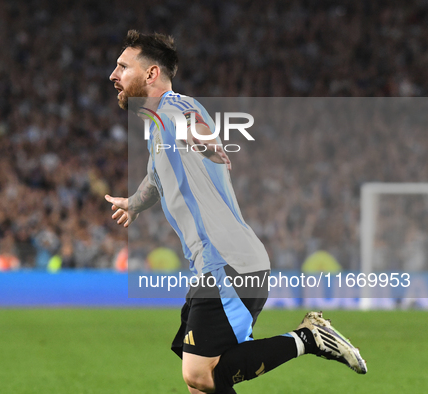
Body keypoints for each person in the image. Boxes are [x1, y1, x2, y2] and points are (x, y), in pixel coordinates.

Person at [105, 30, 367, 394]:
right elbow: (156, 174)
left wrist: (206, 142)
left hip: (228, 263)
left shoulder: (174, 108)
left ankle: (309, 338)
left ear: (150, 74)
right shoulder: (156, 128)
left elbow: (193, 127)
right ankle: (308, 338)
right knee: (202, 382)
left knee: (199, 374)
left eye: (122, 66)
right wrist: (134, 203)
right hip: (213, 265)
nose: (113, 75)